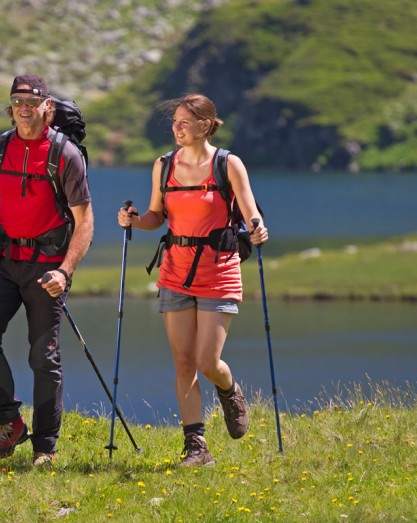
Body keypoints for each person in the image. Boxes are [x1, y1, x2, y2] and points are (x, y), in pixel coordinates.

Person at [0, 74, 93, 466]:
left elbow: (85, 222)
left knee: (44, 357)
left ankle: (45, 447)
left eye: (33, 101)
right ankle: (10, 422)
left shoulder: (65, 155)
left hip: (47, 267)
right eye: (17, 101)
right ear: (10, 109)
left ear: (48, 107)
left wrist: (66, 271)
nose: (25, 107)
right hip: (5, 261)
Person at [117, 93, 268, 467]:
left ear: (205, 125)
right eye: (174, 123)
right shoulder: (164, 165)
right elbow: (156, 216)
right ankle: (197, 448)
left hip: (218, 271)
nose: (176, 129)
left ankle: (229, 390)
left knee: (206, 361)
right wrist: (134, 221)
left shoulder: (228, 164)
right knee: (183, 361)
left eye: (184, 122)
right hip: (175, 272)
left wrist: (258, 228)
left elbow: (250, 212)